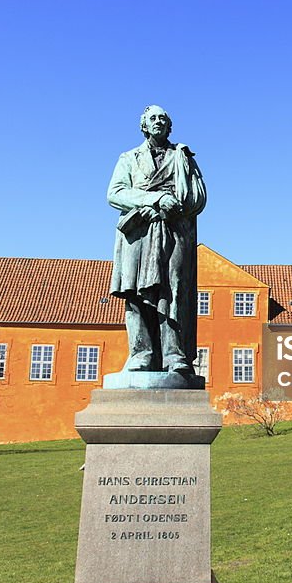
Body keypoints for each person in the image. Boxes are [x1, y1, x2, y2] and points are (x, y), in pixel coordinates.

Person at [107, 105, 207, 379]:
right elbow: (115, 193)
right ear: (144, 125)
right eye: (153, 118)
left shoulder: (182, 157)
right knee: (136, 294)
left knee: (174, 290)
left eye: (163, 118)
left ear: (169, 126)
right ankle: (141, 353)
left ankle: (174, 355)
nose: (158, 122)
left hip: (173, 230)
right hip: (138, 233)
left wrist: (173, 206)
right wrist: (153, 199)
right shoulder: (129, 158)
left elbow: (199, 196)